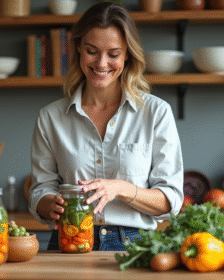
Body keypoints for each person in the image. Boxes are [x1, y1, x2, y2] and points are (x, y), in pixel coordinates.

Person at [29, 2, 183, 251]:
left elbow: (170, 200)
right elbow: (40, 191)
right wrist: (51, 204)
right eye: (92, 51)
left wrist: (123, 189)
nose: (101, 63)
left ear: (127, 56)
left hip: (135, 245)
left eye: (113, 54)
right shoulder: (50, 117)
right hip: (69, 240)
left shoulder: (156, 113)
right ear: (78, 48)